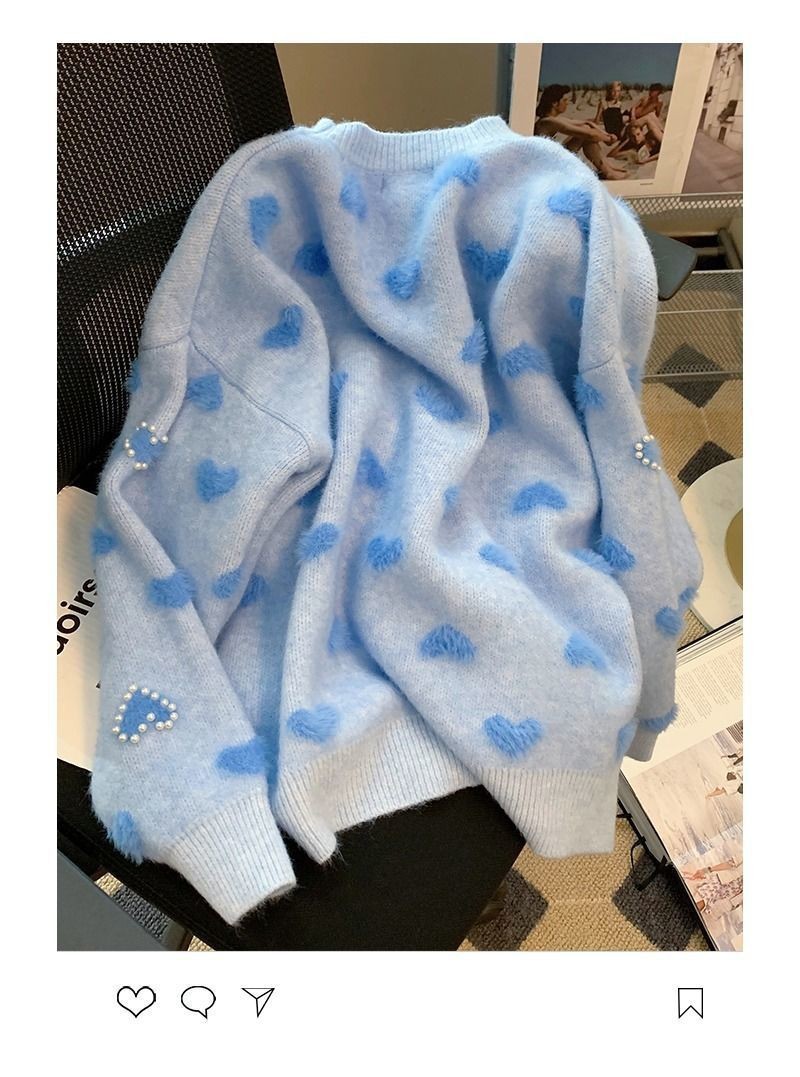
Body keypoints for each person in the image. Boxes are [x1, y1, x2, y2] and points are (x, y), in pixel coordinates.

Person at [534, 83, 628, 180]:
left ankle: (606, 167)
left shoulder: (552, 119)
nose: (567, 103)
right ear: (554, 103)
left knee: (585, 129)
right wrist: (608, 139)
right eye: (564, 100)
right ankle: (607, 170)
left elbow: (587, 123)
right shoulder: (548, 122)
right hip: (548, 168)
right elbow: (590, 134)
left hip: (553, 161)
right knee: (586, 134)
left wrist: (607, 134)